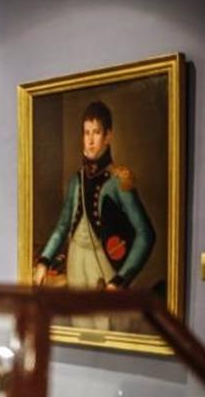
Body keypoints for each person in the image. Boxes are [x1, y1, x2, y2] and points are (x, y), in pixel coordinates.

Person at [34, 101, 155, 304]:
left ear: (108, 136)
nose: (90, 140)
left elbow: (146, 234)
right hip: (75, 266)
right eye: (86, 133)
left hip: (103, 268)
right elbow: (62, 228)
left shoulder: (119, 182)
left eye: (96, 133)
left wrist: (119, 280)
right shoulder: (76, 181)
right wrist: (44, 262)